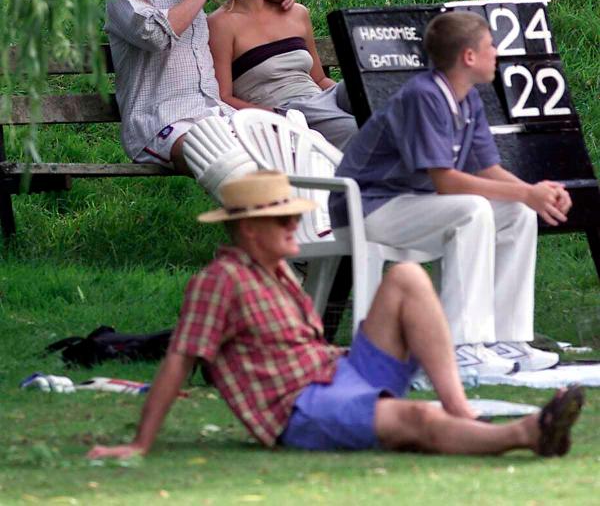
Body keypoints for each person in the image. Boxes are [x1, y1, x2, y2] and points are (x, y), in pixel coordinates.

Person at [87, 171, 584, 458]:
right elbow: (179, 358)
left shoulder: (278, 270)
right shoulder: (221, 282)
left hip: (336, 370)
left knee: (408, 276)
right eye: (281, 219)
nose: (293, 225)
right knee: (411, 416)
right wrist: (140, 443)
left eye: (292, 215)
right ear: (249, 230)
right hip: (298, 407)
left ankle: (457, 403)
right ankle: (526, 434)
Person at [329, 11, 573, 377]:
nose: (497, 54)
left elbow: (487, 167)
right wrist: (526, 193)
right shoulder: (424, 96)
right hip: (368, 208)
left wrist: (532, 195)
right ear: (469, 56)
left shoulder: (467, 97)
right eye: (491, 46)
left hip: (412, 204)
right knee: (473, 209)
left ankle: (507, 338)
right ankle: (460, 346)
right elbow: (446, 181)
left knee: (517, 212)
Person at [105, 0, 295, 174]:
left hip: (215, 115)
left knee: (294, 152)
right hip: (163, 124)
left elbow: (234, 7)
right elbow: (155, 36)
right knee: (234, 168)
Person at [206, 0, 358, 150]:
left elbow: (318, 79)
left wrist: (349, 97)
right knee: (354, 130)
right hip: (285, 111)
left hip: (321, 100)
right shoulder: (221, 24)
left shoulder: (295, 13)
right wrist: (274, 116)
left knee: (377, 96)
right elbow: (223, 97)